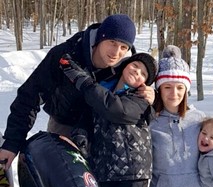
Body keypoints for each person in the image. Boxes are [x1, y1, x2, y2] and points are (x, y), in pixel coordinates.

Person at [0, 14, 155, 170]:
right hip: (63, 128)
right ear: (101, 38)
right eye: (112, 43)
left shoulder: (127, 67)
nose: (116, 52)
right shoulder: (67, 56)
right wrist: (12, 143)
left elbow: (134, 105)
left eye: (123, 47)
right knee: (60, 182)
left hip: (103, 139)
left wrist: (151, 98)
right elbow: (30, 96)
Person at [61, 52, 158, 187]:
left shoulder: (140, 100)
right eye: (135, 65)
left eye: (143, 73)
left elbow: (117, 110)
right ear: (125, 64)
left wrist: (84, 82)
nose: (137, 72)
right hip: (104, 170)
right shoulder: (102, 89)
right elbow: (87, 118)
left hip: (132, 173)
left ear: (145, 83)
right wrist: (81, 138)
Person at [146, 45, 213, 187]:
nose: (173, 93)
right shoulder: (150, 121)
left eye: (179, 87)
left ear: (186, 89)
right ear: (159, 89)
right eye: (167, 87)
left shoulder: (200, 119)